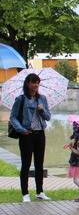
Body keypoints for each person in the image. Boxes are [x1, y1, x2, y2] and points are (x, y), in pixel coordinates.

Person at [9, 73, 52, 202]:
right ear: (27, 83)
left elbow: (48, 117)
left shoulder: (42, 98)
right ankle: (25, 193)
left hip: (40, 134)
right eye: (33, 82)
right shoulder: (21, 99)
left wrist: (42, 110)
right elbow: (13, 117)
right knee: (26, 164)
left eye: (38, 82)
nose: (36, 85)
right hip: (27, 135)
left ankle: (40, 192)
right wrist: (22, 130)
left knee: (39, 164)